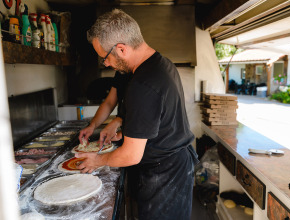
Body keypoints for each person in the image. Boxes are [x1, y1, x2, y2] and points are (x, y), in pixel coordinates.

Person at [76, 9, 199, 220]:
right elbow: (158, 122)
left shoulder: (143, 85)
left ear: (121, 49)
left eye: (104, 58)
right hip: (174, 162)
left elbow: (131, 155)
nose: (105, 64)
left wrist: (98, 160)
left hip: (165, 174)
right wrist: (124, 130)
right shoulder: (161, 63)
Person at [78, 71, 132, 147]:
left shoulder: (144, 73)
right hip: (125, 136)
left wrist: (121, 131)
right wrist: (92, 125)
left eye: (106, 58)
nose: (106, 64)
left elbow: (145, 115)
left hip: (144, 143)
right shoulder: (120, 72)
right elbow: (109, 103)